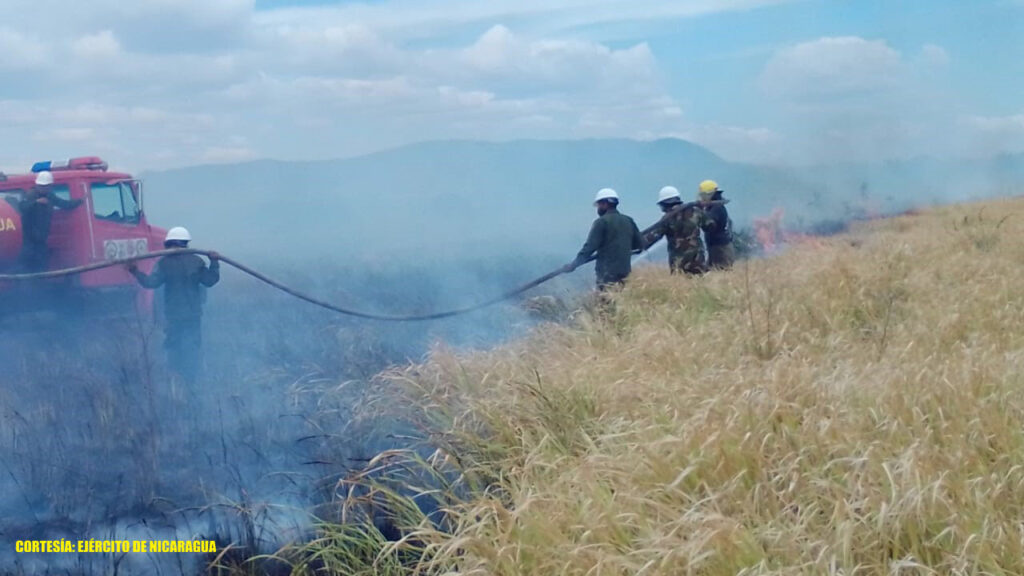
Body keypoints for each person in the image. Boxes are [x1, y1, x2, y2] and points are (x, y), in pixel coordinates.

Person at [127, 227, 220, 382]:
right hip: (193, 314)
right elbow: (210, 280)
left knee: (174, 346)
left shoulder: (164, 263)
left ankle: (176, 379)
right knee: (192, 346)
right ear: (186, 243)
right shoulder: (196, 261)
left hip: (173, 314)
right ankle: (192, 379)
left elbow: (150, 283)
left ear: (168, 244)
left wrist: (135, 271)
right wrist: (214, 262)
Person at [564, 188, 644, 290]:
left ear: (605, 204)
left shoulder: (601, 222)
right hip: (625, 272)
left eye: (599, 205)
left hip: (606, 273)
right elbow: (639, 245)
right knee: (621, 297)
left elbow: (589, 248)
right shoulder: (628, 220)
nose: (598, 208)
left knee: (606, 298)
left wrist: (573, 265)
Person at [17, 171, 83, 272]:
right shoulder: (30, 195)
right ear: (37, 185)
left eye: (46, 186)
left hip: (41, 240)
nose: (43, 188)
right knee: (27, 267)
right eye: (41, 186)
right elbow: (22, 207)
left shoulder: (50, 196)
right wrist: (36, 202)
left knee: (42, 266)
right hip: (29, 242)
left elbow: (64, 204)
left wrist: (80, 201)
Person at [642, 186, 706, 275]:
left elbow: (654, 237)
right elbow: (710, 226)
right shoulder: (696, 211)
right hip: (698, 258)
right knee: (699, 281)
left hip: (678, 261)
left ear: (665, 204)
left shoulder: (667, 219)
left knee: (680, 282)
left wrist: (638, 244)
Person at [698, 180, 735, 270]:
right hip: (718, 247)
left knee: (720, 272)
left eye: (703, 195)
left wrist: (699, 214)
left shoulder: (716, 208)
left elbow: (709, 226)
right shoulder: (715, 207)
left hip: (720, 249)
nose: (702, 198)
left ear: (709, 194)